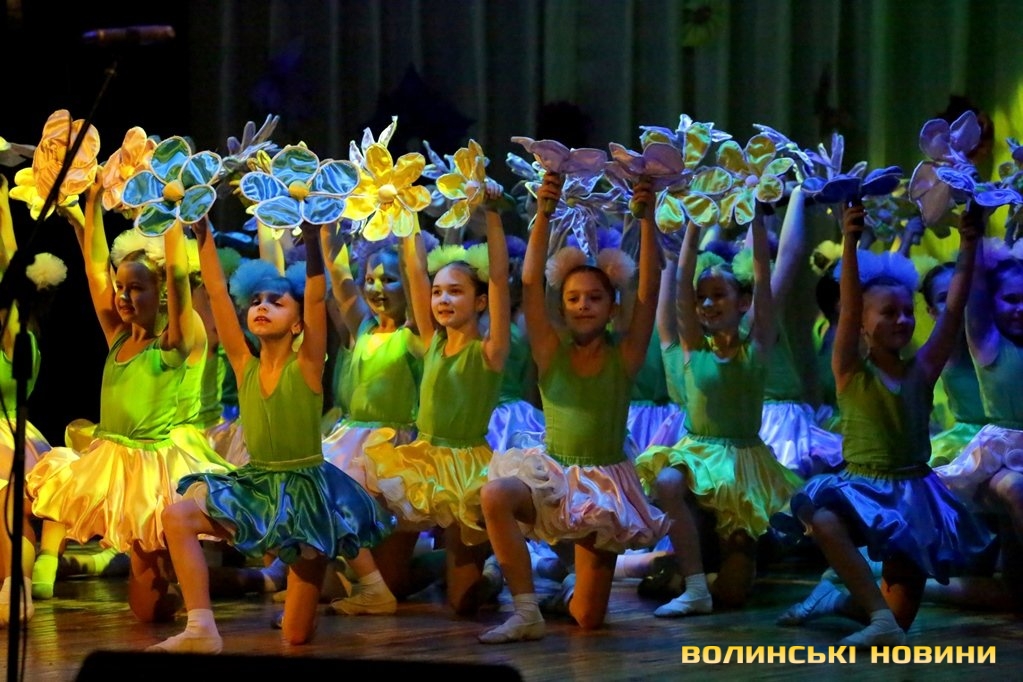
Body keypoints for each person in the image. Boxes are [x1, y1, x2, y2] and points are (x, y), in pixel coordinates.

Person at [149, 216, 394, 653]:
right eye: (256, 301)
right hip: (258, 487)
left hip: (305, 500)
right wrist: (203, 235)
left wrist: (314, 241)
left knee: (295, 635)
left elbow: (315, 296)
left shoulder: (308, 365)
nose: (261, 307)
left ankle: (325, 580)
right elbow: (217, 293)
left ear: (297, 324)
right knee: (177, 516)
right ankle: (201, 628)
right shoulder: (243, 363)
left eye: (276, 302)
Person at [771, 201, 992, 647]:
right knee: (822, 517)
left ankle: (841, 602)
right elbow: (850, 305)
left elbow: (953, 312)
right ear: (861, 325)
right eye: (888, 313)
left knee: (898, 616)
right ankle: (876, 614)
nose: (903, 320)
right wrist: (850, 243)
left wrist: (969, 246)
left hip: (911, 496)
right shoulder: (850, 369)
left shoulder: (922, 369)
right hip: (861, 488)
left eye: (907, 311)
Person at [26, 178, 230, 622]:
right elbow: (95, 271)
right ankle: (169, 582)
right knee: (146, 608)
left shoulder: (172, 344)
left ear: (160, 293)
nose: (122, 295)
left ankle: (206, 585)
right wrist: (92, 201)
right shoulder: (118, 337)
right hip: (115, 462)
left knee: (157, 580)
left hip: (156, 469)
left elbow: (178, 277)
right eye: (122, 287)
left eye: (136, 288)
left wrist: (172, 217)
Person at [477, 173, 670, 643]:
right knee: (496, 494)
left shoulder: (625, 356)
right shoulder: (550, 351)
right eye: (574, 298)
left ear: (612, 307)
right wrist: (543, 212)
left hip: (603, 488)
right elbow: (529, 280)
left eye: (595, 298)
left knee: (588, 618)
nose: (584, 305)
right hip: (555, 478)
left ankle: (562, 592)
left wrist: (646, 219)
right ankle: (526, 610)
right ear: (561, 308)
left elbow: (649, 289)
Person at [633, 201, 803, 616]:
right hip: (700, 454)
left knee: (733, 595)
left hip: (742, 464)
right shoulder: (693, 348)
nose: (708, 305)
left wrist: (756, 218)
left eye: (718, 296)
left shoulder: (756, 346)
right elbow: (680, 286)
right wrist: (694, 222)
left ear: (742, 302)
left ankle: (698, 573)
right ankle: (693, 586)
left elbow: (762, 277)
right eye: (702, 299)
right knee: (668, 481)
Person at [361, 181, 510, 616]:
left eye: (456, 291)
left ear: (479, 302)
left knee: (462, 605)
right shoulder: (430, 341)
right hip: (422, 461)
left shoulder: (489, 350)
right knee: (389, 586)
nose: (442, 298)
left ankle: (489, 573)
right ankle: (443, 565)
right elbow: (414, 272)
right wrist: (405, 210)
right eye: (438, 291)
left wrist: (493, 217)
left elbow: (499, 280)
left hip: (466, 467)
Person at [318, 231, 422, 615]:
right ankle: (361, 583)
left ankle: (450, 568)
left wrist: (406, 220)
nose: (377, 288)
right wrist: (326, 226)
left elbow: (417, 272)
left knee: (395, 580)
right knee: (328, 499)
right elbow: (338, 274)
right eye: (371, 280)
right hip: (351, 443)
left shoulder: (413, 333)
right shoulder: (362, 326)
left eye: (388, 279)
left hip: (393, 446)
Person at [931, 235, 1023, 611]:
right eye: (1011, 299)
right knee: (1017, 489)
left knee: (1013, 593)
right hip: (1002, 460)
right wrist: (973, 233)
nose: (1020, 308)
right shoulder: (989, 345)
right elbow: (974, 292)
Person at [0, 174, 62, 623]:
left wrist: (2, 203)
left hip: (5, 440)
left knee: (7, 516)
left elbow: (9, 262)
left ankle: (16, 587)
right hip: (16, 437)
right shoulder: (22, 332)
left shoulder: (16, 336)